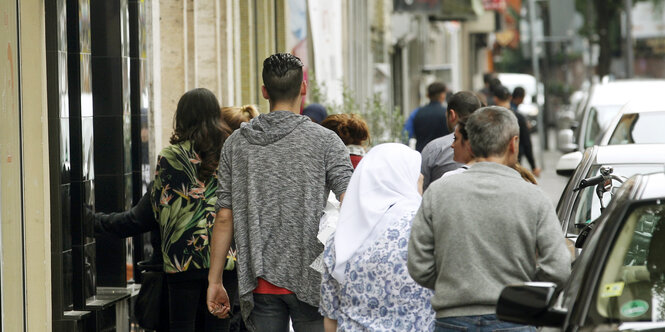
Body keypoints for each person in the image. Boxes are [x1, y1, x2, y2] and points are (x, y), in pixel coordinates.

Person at [206, 53, 354, 332]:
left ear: (264, 91)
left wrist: (215, 281)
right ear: (303, 87)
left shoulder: (237, 144)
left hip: (259, 279)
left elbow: (224, 216)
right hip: (312, 273)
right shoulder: (325, 141)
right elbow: (351, 203)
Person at [407, 106, 571, 332]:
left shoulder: (438, 192)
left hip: (452, 319)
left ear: (470, 144)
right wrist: (524, 287)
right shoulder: (533, 196)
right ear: (513, 144)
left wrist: (453, 283)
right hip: (516, 318)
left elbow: (418, 265)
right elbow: (559, 268)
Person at [319, 143, 434, 331]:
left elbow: (331, 315)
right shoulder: (427, 229)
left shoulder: (341, 236)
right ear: (406, 179)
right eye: (417, 177)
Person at [151, 88, 233, 331]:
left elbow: (158, 205)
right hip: (225, 254)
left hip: (181, 256)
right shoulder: (229, 151)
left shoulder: (169, 156)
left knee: (182, 325)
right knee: (219, 323)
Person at [419, 91, 482, 191]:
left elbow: (421, 186)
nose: (452, 145)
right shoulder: (491, 146)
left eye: (455, 139)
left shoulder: (434, 148)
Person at [509, 86, 541, 177]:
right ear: (520, 97)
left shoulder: (510, 111)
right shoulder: (518, 116)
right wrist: (533, 166)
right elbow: (527, 142)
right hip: (515, 156)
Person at [413, 82, 448, 152]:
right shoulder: (447, 113)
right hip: (441, 155)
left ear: (428, 95)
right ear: (442, 95)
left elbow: (407, 133)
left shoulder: (417, 112)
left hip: (421, 154)